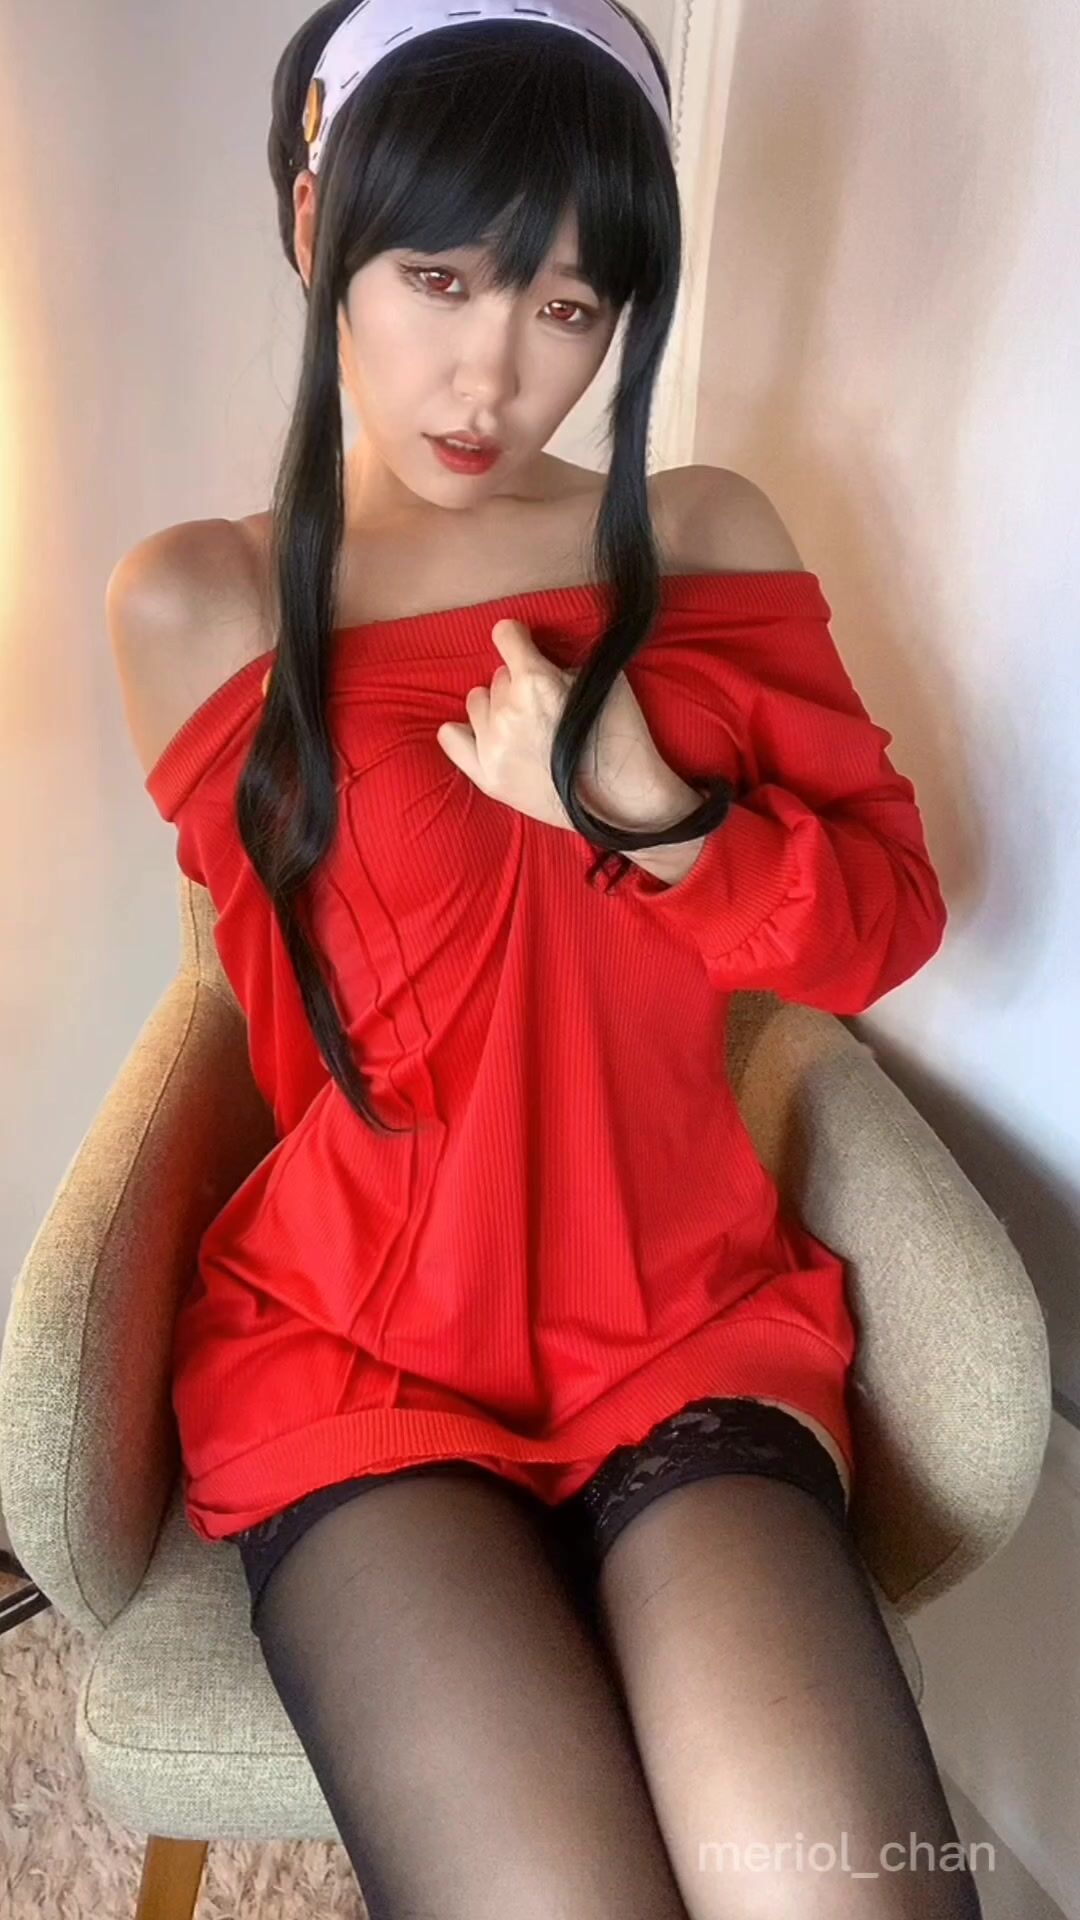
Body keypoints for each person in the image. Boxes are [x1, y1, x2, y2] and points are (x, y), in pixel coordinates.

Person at [108, 2, 980, 1914]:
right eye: (440, 274)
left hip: (682, 1323)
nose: (495, 372)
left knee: (852, 1891)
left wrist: (646, 810)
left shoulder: (702, 538)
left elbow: (885, 925)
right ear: (315, 216)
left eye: (571, 305)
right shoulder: (203, 599)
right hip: (357, 1342)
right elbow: (291, 995)